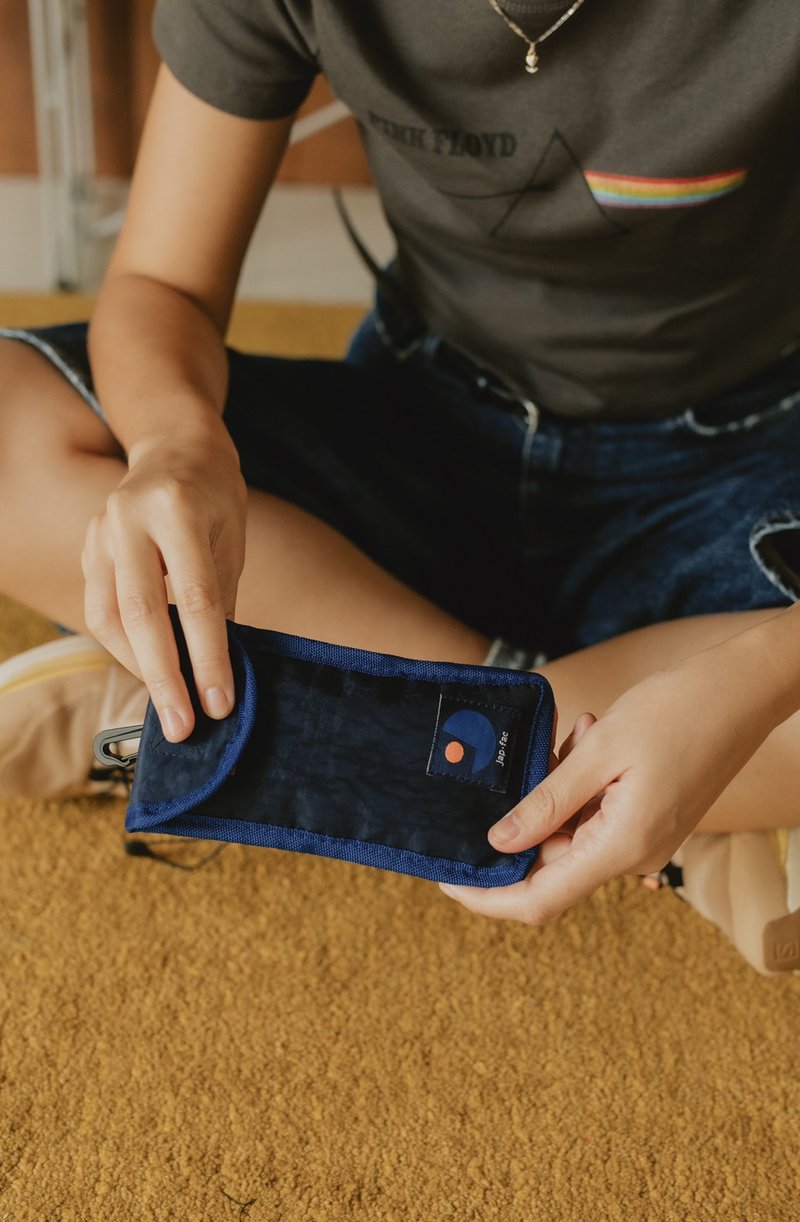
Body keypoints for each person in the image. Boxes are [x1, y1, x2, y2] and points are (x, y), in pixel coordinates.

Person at [1, 0, 799, 974]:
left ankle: (247, 717)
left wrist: (758, 677)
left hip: (743, 464)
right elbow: (163, 282)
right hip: (426, 419)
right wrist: (176, 446)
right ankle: (635, 783)